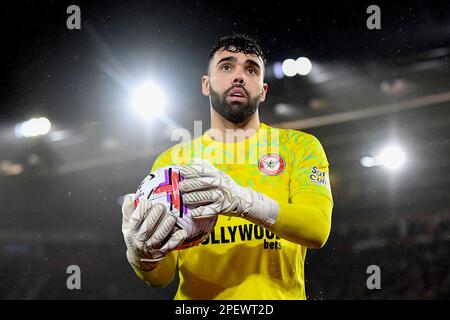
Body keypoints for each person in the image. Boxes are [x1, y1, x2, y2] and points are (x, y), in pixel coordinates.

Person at [121, 34, 333, 299]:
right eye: (226, 66)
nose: (239, 76)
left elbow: (317, 229)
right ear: (206, 85)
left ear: (263, 91)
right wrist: (143, 256)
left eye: (251, 69)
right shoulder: (173, 161)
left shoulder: (298, 146)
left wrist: (243, 202)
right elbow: (162, 277)